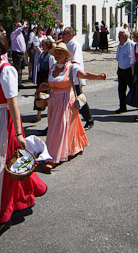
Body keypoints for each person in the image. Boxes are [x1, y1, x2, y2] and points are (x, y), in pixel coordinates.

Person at [0, 27, 46, 239]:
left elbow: (13, 105)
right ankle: (21, 199)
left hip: (4, 123)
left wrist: (18, 134)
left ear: (0, 46)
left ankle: (0, 216)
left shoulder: (6, 70)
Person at [43, 42, 106, 171]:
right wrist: (42, 89)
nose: (58, 55)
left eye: (60, 52)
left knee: (57, 130)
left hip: (67, 101)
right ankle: (74, 148)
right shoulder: (52, 67)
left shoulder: (72, 68)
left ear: (66, 55)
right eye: (56, 52)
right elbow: (51, 84)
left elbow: (85, 74)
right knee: (68, 126)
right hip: (54, 102)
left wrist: (98, 77)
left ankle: (53, 157)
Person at [61, 27, 94, 129]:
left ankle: (89, 119)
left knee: (79, 98)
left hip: (74, 75)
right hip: (66, 75)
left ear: (70, 34)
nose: (62, 35)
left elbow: (75, 61)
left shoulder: (74, 44)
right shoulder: (66, 44)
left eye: (64, 33)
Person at [33, 38, 55, 122]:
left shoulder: (51, 56)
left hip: (46, 76)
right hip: (41, 76)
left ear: (48, 46)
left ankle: (51, 113)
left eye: (43, 45)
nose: (42, 46)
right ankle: (38, 114)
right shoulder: (42, 54)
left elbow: (51, 68)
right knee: (39, 95)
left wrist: (49, 79)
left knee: (46, 95)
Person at [115, 29, 135, 114]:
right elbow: (119, 58)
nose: (118, 37)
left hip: (129, 70)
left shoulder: (131, 45)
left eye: (120, 36)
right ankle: (122, 107)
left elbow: (134, 59)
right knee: (121, 90)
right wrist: (118, 68)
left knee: (133, 89)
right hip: (121, 70)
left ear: (125, 37)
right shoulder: (119, 45)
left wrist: (133, 72)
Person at [10, 21, 27, 88]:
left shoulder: (20, 34)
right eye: (19, 26)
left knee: (21, 69)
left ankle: (19, 83)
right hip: (17, 54)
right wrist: (24, 25)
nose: (21, 28)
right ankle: (15, 84)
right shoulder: (13, 33)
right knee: (17, 69)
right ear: (15, 27)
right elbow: (18, 30)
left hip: (22, 53)